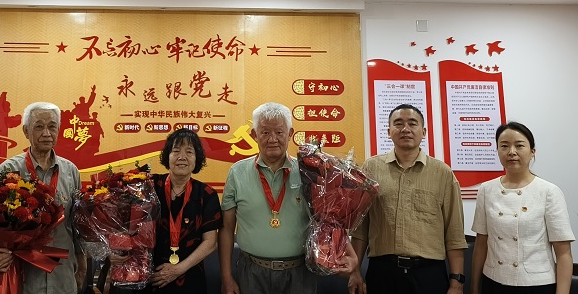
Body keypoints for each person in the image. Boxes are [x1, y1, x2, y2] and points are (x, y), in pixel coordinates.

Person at [220, 102, 358, 294]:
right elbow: (226, 229)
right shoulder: (237, 172)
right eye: (265, 132)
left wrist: (351, 256)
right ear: (254, 135)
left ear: (290, 133)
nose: (273, 139)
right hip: (251, 272)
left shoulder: (309, 172)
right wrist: (226, 278)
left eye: (279, 132)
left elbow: (328, 220)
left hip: (299, 273)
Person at [349, 103, 468, 294]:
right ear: (389, 132)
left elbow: (454, 234)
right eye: (398, 123)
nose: (405, 129)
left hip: (429, 274)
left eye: (412, 123)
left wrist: (457, 282)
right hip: (382, 272)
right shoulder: (371, 169)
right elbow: (361, 228)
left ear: (424, 132)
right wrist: (354, 272)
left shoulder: (442, 173)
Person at [0, 101, 87, 294]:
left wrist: (82, 261)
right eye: (39, 127)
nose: (46, 133)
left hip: (62, 274)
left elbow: (76, 224)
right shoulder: (9, 170)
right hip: (23, 275)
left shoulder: (71, 171)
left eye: (52, 127)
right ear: (26, 131)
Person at [471, 121, 574, 294]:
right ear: (497, 151)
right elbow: (481, 243)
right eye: (504, 146)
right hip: (493, 281)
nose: (511, 152)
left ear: (532, 151)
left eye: (519, 145)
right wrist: (474, 288)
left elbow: (563, 253)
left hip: (536, 285)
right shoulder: (486, 190)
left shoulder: (549, 192)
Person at [144, 128, 222, 292]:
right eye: (176, 151)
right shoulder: (149, 186)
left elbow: (210, 243)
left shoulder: (207, 194)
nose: (182, 157)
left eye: (189, 152)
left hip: (190, 276)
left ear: (196, 158)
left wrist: (177, 270)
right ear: (167, 156)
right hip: (150, 276)